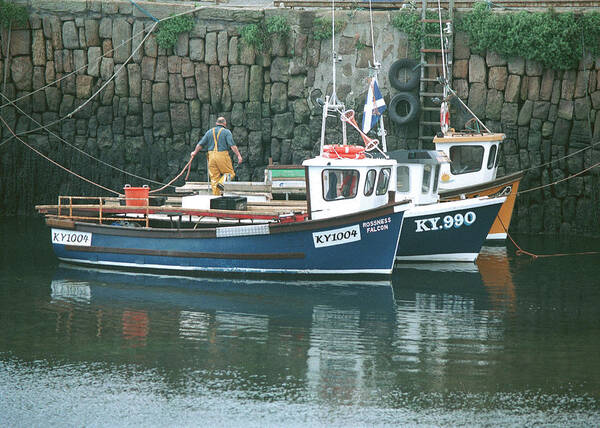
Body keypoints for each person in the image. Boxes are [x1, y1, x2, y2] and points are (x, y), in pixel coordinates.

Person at [191, 117, 243, 195]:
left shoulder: (209, 132)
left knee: (214, 178)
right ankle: (222, 183)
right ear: (225, 124)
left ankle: (216, 197)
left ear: (216, 123)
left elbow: (200, 144)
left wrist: (194, 152)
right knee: (229, 173)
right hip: (222, 155)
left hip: (211, 156)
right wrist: (239, 155)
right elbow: (232, 145)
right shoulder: (226, 132)